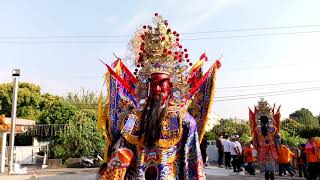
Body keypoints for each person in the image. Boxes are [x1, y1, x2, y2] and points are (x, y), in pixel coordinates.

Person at [97, 13, 221, 180]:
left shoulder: (185, 121)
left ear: (171, 86)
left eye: (162, 83)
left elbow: (193, 167)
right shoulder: (134, 119)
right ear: (146, 85)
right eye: (152, 82)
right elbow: (122, 155)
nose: (156, 88)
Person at [249, 98, 281, 180]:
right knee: (272, 169)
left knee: (266, 169)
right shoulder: (274, 128)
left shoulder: (256, 129)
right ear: (269, 120)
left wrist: (255, 153)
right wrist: (278, 149)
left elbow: (255, 142)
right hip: (272, 150)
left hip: (262, 151)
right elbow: (278, 140)